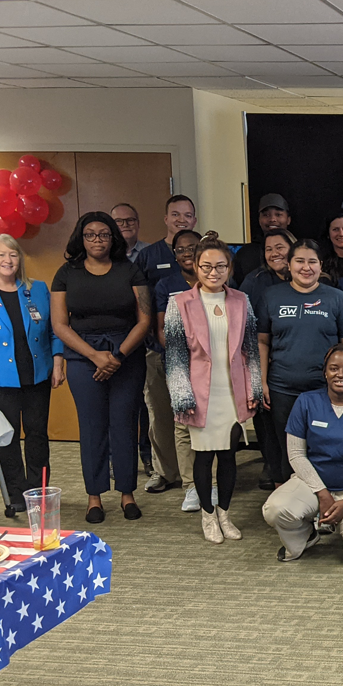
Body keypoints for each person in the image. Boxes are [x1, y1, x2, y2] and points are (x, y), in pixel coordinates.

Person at [50, 212, 150, 523]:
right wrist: (96, 356)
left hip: (127, 355)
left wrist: (117, 356)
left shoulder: (130, 270)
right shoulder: (66, 273)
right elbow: (59, 324)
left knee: (124, 423)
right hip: (83, 357)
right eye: (90, 234)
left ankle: (127, 494)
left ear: (113, 239)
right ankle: (94, 497)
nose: (97, 240)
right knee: (92, 427)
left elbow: (145, 319)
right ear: (81, 238)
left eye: (104, 234)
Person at [165, 237, 262, 543]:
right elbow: (176, 356)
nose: (213, 272)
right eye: (206, 266)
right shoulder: (178, 303)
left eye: (220, 266)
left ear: (229, 268)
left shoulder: (240, 300)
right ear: (195, 266)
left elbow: (250, 351)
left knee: (229, 456)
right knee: (204, 458)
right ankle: (208, 516)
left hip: (232, 392)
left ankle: (225, 513)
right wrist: (181, 394)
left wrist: (254, 388)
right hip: (200, 394)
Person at [262, 345, 343, 565]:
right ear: (325, 372)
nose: (340, 374)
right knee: (275, 509)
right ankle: (305, 536)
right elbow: (295, 455)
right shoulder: (306, 402)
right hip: (312, 485)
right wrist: (322, 493)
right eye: (333, 368)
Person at [0, 235, 64, 513]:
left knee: (37, 436)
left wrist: (57, 361)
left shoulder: (38, 289)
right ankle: (15, 494)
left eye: (14, 255)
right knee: (6, 439)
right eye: (2, 255)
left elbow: (55, 329)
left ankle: (39, 491)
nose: (8, 261)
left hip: (37, 375)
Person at [257, 239, 343, 483]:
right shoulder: (271, 296)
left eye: (312, 261)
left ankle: (324, 503)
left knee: (325, 446)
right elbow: (262, 342)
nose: (306, 267)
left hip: (325, 390)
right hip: (282, 388)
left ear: (320, 266)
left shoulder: (338, 299)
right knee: (285, 448)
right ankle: (287, 504)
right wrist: (262, 382)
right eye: (299, 261)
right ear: (289, 265)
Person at [135, 195, 197, 508]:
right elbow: (141, 302)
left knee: (192, 418)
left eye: (187, 215)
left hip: (200, 360)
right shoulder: (149, 256)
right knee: (160, 413)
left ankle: (198, 478)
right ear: (165, 218)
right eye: (175, 214)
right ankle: (165, 472)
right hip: (158, 352)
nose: (181, 219)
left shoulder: (207, 259)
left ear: (194, 220)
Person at [150, 229, 207, 509]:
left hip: (211, 363)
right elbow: (161, 330)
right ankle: (191, 486)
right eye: (181, 250)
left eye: (192, 248)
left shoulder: (213, 279)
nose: (187, 254)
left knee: (211, 423)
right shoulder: (166, 284)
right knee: (184, 425)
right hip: (178, 362)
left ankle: (213, 482)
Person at [240, 228, 296, 490]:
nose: (274, 253)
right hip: (262, 361)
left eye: (280, 247)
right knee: (268, 424)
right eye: (269, 249)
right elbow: (243, 323)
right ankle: (273, 470)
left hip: (295, 362)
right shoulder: (255, 281)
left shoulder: (307, 276)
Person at [111, 202, 152, 480]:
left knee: (146, 407)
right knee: (117, 408)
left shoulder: (148, 254)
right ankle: (118, 460)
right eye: (119, 222)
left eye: (130, 220)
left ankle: (149, 460)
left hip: (144, 340)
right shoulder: (104, 257)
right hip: (113, 340)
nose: (125, 225)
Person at [231, 193, 291, 287]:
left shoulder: (301, 251)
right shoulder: (245, 253)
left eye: (278, 214)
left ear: (288, 219)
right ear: (259, 219)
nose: (272, 219)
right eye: (266, 215)